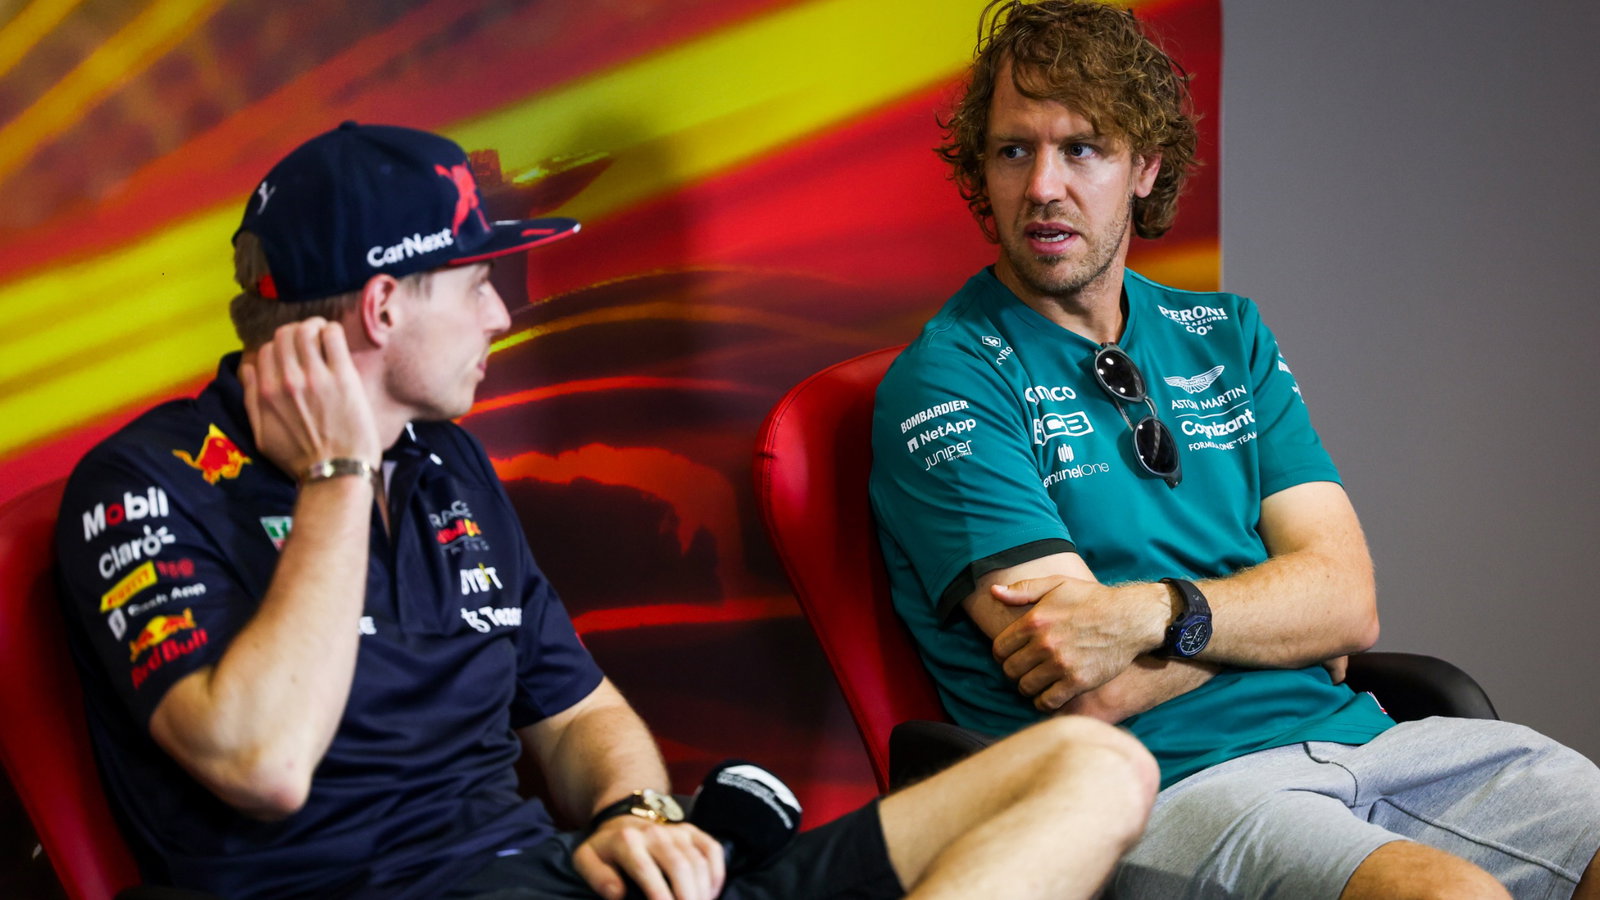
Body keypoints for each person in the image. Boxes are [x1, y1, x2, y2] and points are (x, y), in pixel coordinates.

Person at [54, 121, 1158, 900]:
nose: (501, 312)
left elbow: (581, 716)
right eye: (477, 282)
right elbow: (260, 762)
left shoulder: (442, 465)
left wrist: (636, 815)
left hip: (566, 877)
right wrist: (339, 477)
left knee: (1094, 767)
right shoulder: (147, 486)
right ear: (384, 306)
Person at [868, 2, 1600, 898]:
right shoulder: (948, 378)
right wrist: (1282, 626)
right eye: (1014, 150)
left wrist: (1153, 616)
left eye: (1083, 149)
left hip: (1366, 738)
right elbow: (1088, 683)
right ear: (982, 172)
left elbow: (1350, 602)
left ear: (1147, 167)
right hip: (1159, 785)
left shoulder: (1226, 333)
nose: (1044, 185)